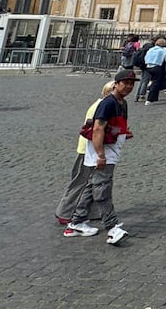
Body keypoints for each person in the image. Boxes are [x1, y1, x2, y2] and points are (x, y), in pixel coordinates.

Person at [63, 69, 135, 244]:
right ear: (116, 84)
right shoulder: (108, 103)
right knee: (103, 188)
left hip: (110, 150)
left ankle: (76, 222)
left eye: (131, 83)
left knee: (90, 187)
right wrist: (100, 155)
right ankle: (112, 227)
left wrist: (124, 133)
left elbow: (114, 126)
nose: (129, 86)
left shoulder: (121, 103)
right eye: (125, 83)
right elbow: (97, 129)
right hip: (102, 152)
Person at [56, 80, 115, 225]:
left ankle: (92, 212)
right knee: (81, 182)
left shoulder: (105, 105)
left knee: (94, 182)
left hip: (93, 148)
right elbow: (94, 129)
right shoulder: (101, 107)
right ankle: (66, 212)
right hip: (88, 150)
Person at [143, 36, 166, 105]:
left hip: (148, 66)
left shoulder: (151, 49)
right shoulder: (162, 50)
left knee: (153, 81)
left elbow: (145, 57)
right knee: (156, 83)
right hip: (156, 67)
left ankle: (153, 93)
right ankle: (149, 99)